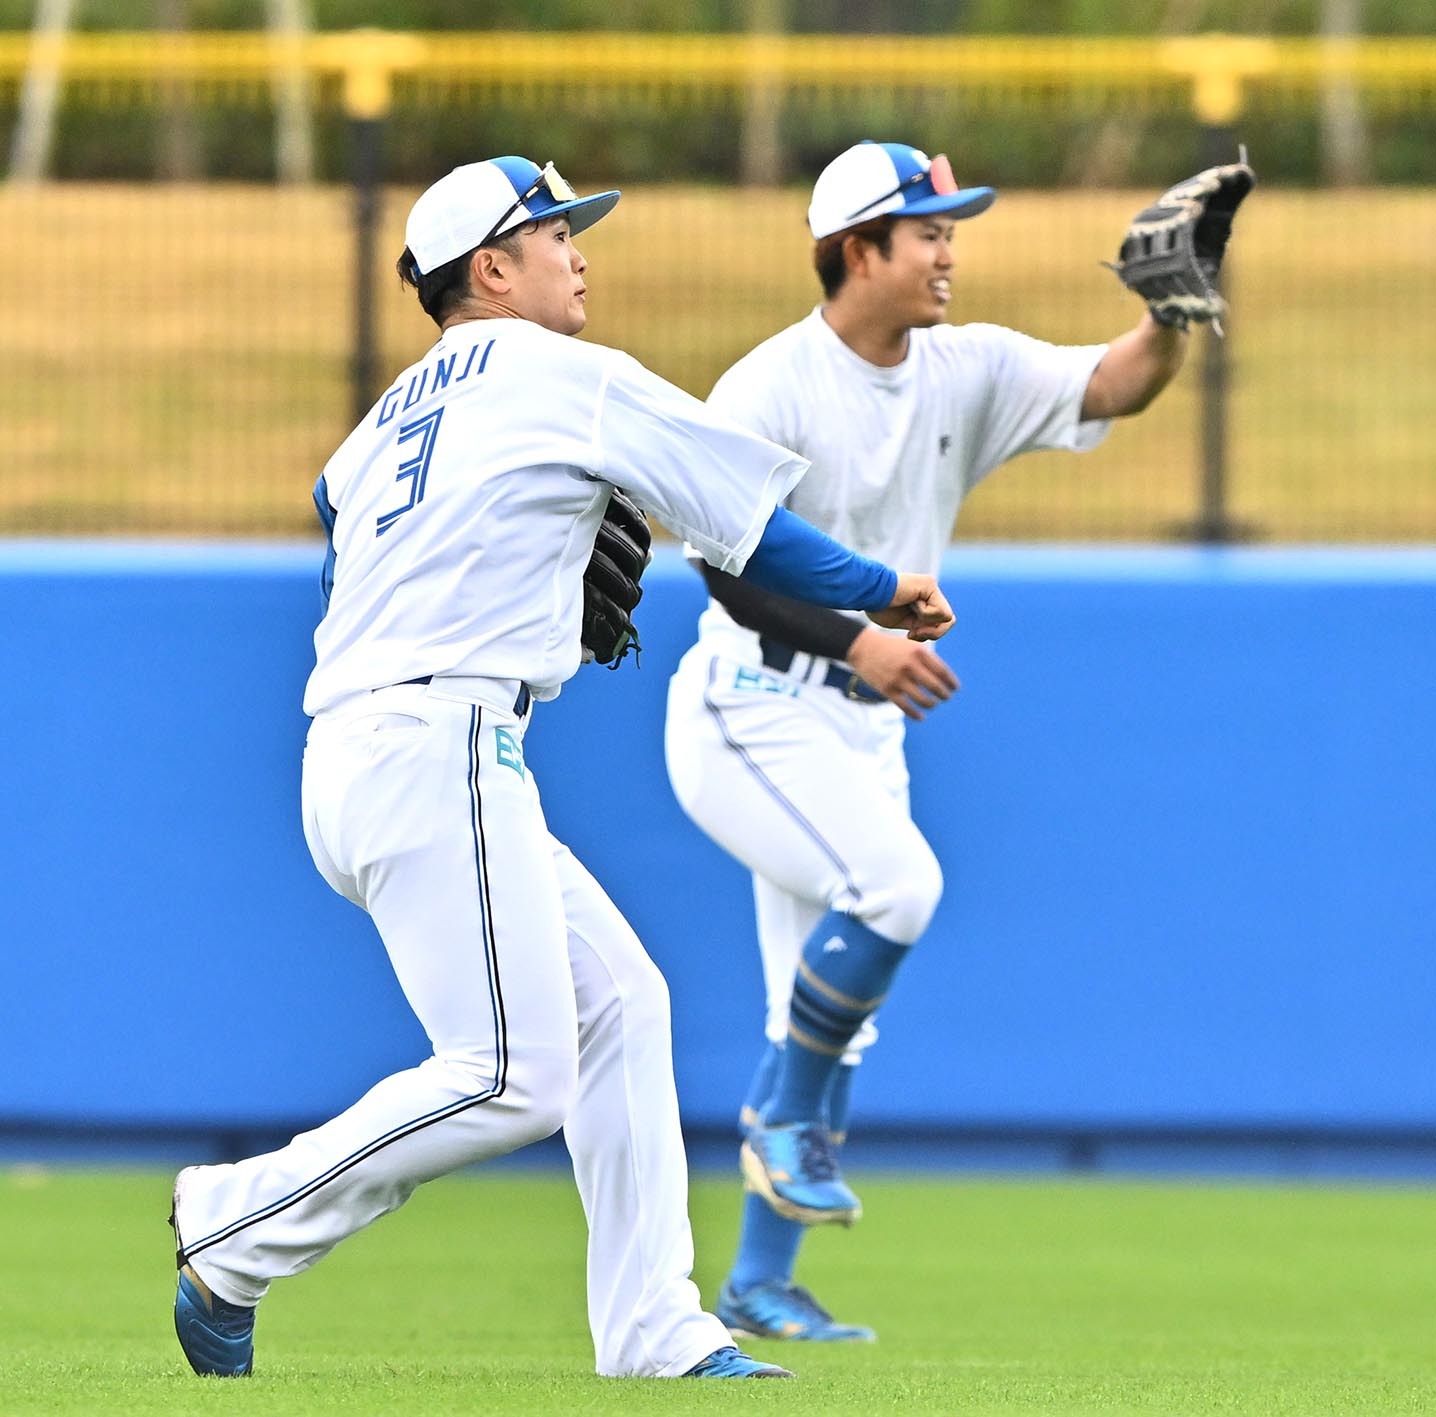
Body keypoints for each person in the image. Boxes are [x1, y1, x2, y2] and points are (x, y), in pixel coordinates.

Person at [166, 153, 955, 1382]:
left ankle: (653, 1326)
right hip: (441, 744)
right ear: (490, 268)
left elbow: (345, 541)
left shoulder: (376, 427)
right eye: (553, 235)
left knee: (622, 1004)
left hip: (367, 742)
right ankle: (236, 1221)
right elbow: (748, 533)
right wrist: (874, 586)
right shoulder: (561, 377)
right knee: (508, 1077)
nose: (577, 253)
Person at [663, 139, 1196, 1344]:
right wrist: (860, 640)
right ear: (858, 250)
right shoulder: (768, 385)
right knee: (896, 890)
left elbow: (1112, 385)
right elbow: (724, 566)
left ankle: (757, 1282)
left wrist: (1165, 318)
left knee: (826, 1004)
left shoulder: (966, 367)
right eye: (927, 232)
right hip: (749, 705)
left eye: (951, 230)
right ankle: (778, 1119)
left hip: (858, 725)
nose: (948, 252)